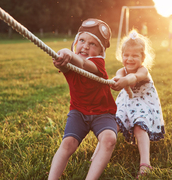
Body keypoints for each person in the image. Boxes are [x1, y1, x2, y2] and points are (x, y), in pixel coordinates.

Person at [48, 18, 118, 180]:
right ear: (75, 42)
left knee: (109, 139)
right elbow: (63, 65)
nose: (85, 46)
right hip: (78, 112)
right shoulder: (70, 61)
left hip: (103, 113)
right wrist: (61, 60)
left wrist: (69, 53)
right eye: (82, 40)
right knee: (68, 143)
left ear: (101, 52)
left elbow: (83, 64)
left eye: (93, 44)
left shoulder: (97, 63)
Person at [91, 29, 165, 178]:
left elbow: (135, 77)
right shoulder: (121, 71)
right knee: (112, 125)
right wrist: (118, 81)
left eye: (135, 55)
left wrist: (126, 80)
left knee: (139, 127)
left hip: (144, 104)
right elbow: (119, 76)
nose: (129, 59)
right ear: (121, 56)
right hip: (126, 104)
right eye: (126, 55)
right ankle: (95, 156)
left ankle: (145, 163)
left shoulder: (143, 70)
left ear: (142, 58)